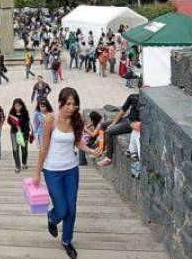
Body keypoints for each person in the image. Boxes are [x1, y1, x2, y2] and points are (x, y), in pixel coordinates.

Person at [33, 88, 101, 259]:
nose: (71, 108)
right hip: (52, 170)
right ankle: (52, 217)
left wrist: (91, 151)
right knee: (61, 209)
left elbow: (77, 143)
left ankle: (67, 241)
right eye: (68, 104)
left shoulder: (77, 119)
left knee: (71, 209)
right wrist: (37, 173)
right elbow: (44, 148)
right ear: (60, 103)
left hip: (71, 169)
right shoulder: (50, 119)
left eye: (74, 104)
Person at [97, 94, 140, 167]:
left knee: (109, 132)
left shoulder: (146, 103)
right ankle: (101, 147)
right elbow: (122, 111)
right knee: (103, 125)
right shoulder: (133, 97)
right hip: (127, 119)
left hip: (133, 123)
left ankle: (108, 158)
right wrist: (113, 123)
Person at [8, 98, 32, 173]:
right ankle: (17, 166)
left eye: (18, 106)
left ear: (21, 106)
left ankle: (24, 163)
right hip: (14, 133)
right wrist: (14, 123)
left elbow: (27, 122)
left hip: (24, 133)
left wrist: (19, 122)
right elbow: (9, 121)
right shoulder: (12, 112)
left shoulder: (25, 113)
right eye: (15, 106)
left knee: (24, 149)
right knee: (15, 149)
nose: (17, 107)